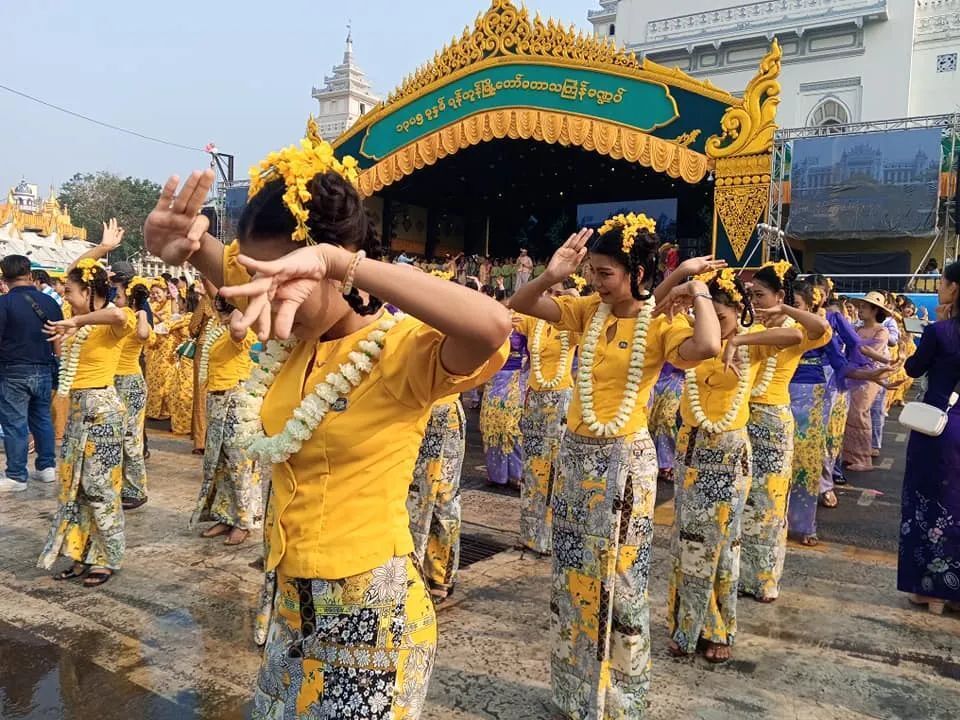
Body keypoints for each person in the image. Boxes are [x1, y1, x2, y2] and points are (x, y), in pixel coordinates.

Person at [144, 128, 511, 717]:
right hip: (291, 607)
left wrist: (343, 261)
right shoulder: (290, 339)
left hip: (373, 618)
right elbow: (243, 273)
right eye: (259, 277)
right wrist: (184, 247)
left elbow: (492, 327)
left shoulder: (398, 352)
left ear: (328, 268)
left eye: (288, 276)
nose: (266, 294)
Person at [510, 214, 723, 719]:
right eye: (592, 271)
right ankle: (573, 694)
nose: (594, 282)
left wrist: (697, 291)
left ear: (638, 275)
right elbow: (518, 306)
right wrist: (551, 274)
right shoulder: (586, 310)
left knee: (622, 580)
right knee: (573, 577)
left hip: (626, 463)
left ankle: (620, 701)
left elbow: (710, 346)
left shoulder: (663, 324)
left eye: (605, 273)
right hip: (577, 455)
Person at [664, 268, 801, 664]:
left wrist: (739, 336)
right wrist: (684, 284)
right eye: (710, 317)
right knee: (688, 540)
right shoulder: (692, 340)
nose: (715, 326)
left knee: (723, 543)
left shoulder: (752, 346)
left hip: (729, 452)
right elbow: (653, 310)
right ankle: (685, 625)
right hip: (691, 448)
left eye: (723, 319)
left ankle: (718, 628)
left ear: (739, 316)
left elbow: (794, 335)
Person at [38, 259, 136, 587]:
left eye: (71, 292)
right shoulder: (74, 323)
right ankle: (81, 554)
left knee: (101, 488)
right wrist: (102, 249)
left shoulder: (113, 321)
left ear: (89, 291)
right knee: (75, 488)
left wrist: (77, 320)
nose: (66, 297)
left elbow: (118, 314)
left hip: (103, 411)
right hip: (80, 411)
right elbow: (75, 270)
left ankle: (107, 557)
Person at [741, 263, 830, 601]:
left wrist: (785, 308)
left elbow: (821, 326)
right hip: (742, 418)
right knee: (746, 500)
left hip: (773, 422)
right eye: (751, 295)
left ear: (779, 296)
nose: (755, 302)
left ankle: (763, 579)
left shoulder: (796, 329)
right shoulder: (748, 325)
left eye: (761, 295)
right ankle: (739, 575)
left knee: (770, 501)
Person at [899, 260, 960, 614]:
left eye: (941, 282)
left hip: (940, 426)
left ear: (953, 288)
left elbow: (912, 368)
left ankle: (930, 590)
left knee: (931, 505)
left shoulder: (941, 332)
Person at [513, 286, 578, 554]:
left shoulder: (572, 326)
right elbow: (511, 311)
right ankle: (529, 534)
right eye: (550, 290)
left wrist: (575, 301)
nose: (552, 295)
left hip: (560, 400)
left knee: (554, 470)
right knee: (532, 469)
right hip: (535, 400)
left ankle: (550, 537)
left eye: (559, 292)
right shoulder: (534, 321)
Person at [192, 295, 260, 547]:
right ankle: (225, 516)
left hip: (237, 401)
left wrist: (239, 309)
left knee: (239, 464)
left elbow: (239, 330)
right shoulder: (219, 327)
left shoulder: (241, 327)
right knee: (219, 463)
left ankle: (243, 521)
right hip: (217, 399)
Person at [0, 254, 63, 492]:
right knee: (42, 417)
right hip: (44, 367)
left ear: (4, 277)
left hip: (13, 370)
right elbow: (59, 337)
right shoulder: (51, 303)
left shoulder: (4, 304)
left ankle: (16, 474)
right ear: (29, 274)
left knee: (15, 423)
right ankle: (46, 467)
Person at [406, 389, 466, 603]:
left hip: (442, 416)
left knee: (444, 500)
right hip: (405, 415)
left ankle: (441, 574)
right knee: (410, 499)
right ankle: (410, 571)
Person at [110, 274, 153, 511]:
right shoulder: (114, 315)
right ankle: (120, 485)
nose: (113, 296)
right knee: (118, 436)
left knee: (130, 437)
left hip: (130, 383)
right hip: (112, 381)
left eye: (117, 292)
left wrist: (142, 312)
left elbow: (145, 336)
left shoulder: (132, 317)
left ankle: (136, 489)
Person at [842, 292, 892, 472]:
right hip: (853, 374)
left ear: (875, 310)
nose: (860, 310)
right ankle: (851, 454)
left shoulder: (881, 331)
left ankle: (864, 459)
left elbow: (869, 352)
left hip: (871, 376)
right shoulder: (857, 329)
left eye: (864, 307)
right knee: (851, 413)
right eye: (860, 306)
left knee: (861, 413)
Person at [480, 317, 527, 488]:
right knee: (491, 426)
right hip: (494, 380)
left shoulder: (524, 328)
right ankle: (497, 475)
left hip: (513, 381)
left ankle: (517, 474)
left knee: (511, 428)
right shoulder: (491, 327)